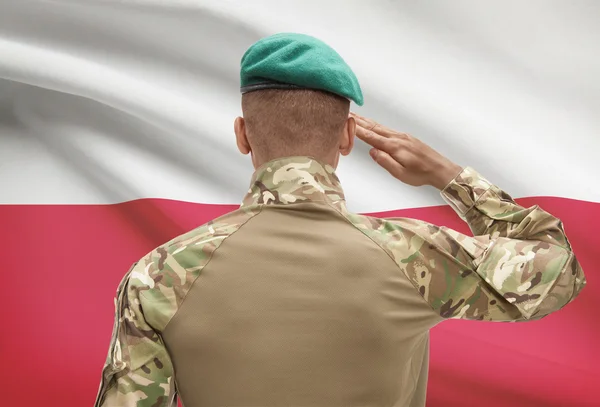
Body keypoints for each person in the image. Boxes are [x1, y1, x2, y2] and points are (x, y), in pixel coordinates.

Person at [94, 33, 586, 407]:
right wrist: (449, 176)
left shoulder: (158, 275)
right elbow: (559, 268)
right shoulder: (415, 256)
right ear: (349, 136)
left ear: (243, 135)